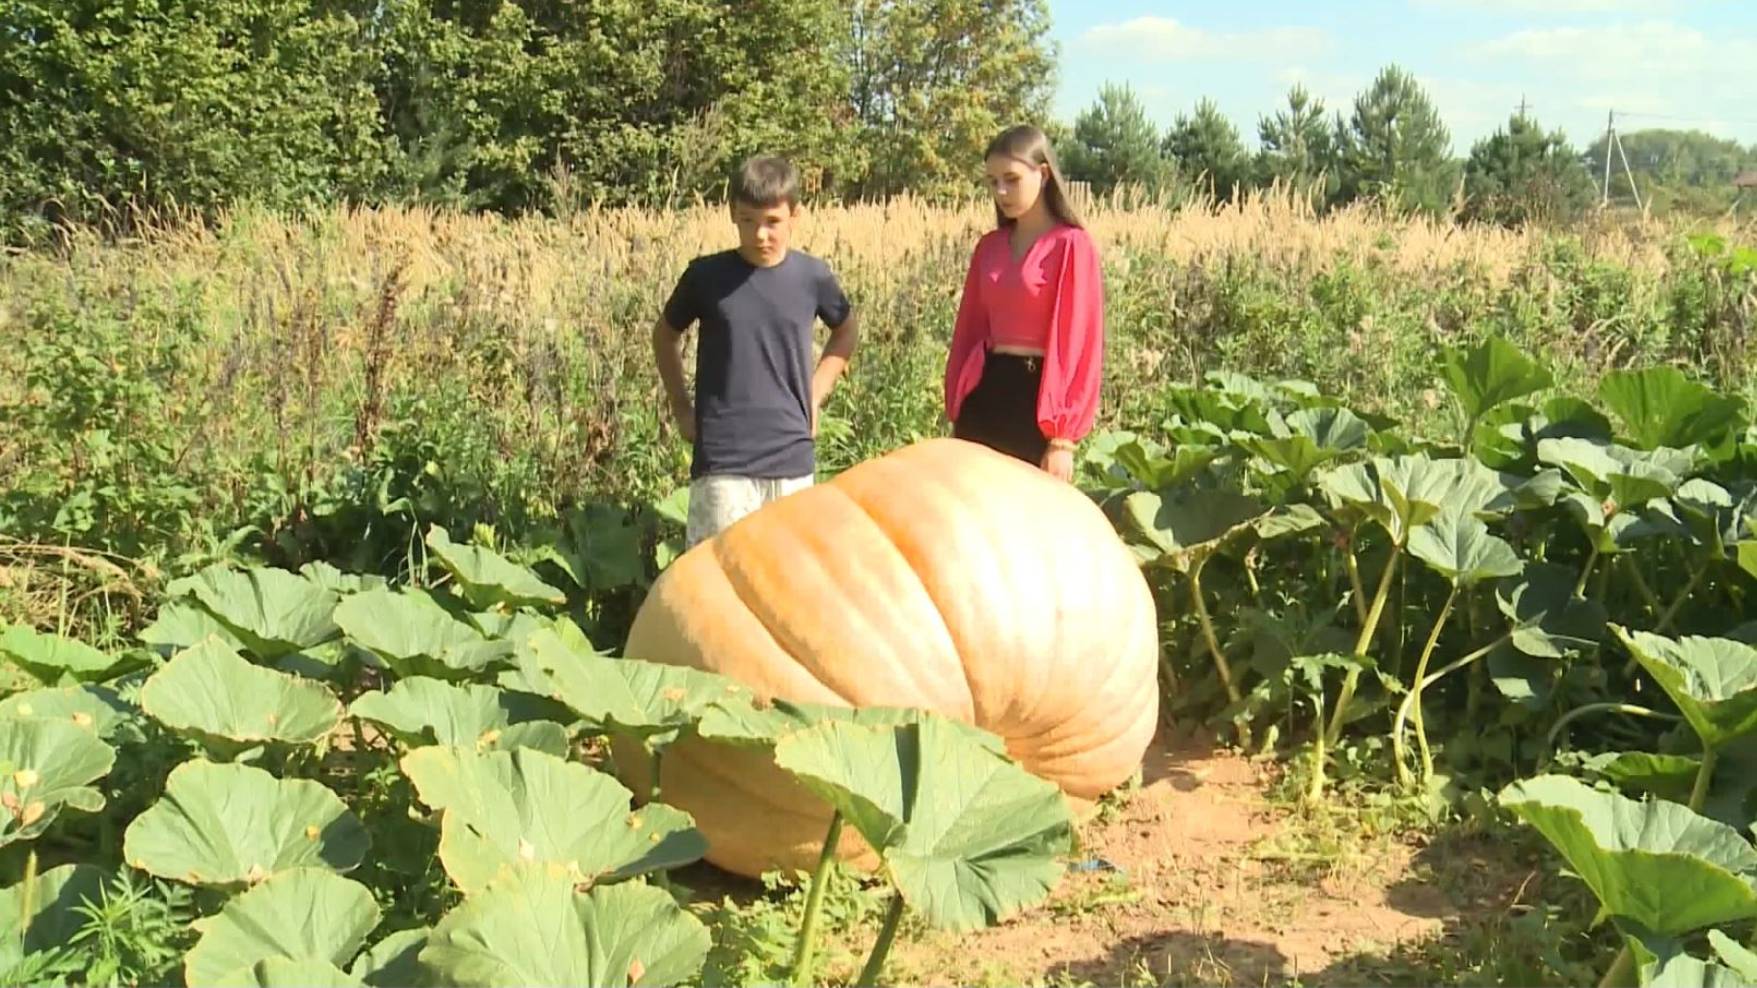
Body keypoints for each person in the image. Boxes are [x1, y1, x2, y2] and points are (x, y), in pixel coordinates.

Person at [654, 155, 860, 547]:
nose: (760, 234)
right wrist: (681, 406)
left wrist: (815, 394)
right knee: (720, 580)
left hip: (791, 454)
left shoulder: (812, 277)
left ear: (794, 216)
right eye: (748, 220)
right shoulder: (705, 277)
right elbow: (664, 336)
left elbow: (845, 330)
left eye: (772, 222)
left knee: (791, 576)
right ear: (732, 214)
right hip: (723, 460)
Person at [944, 124, 1104, 483]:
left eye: (1012, 179)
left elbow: (1079, 342)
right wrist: (958, 400)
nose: (1001, 191)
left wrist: (1062, 439)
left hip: (1039, 403)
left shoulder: (1071, 246)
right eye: (992, 181)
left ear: (1043, 174)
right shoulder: (989, 247)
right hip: (985, 396)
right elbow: (969, 330)